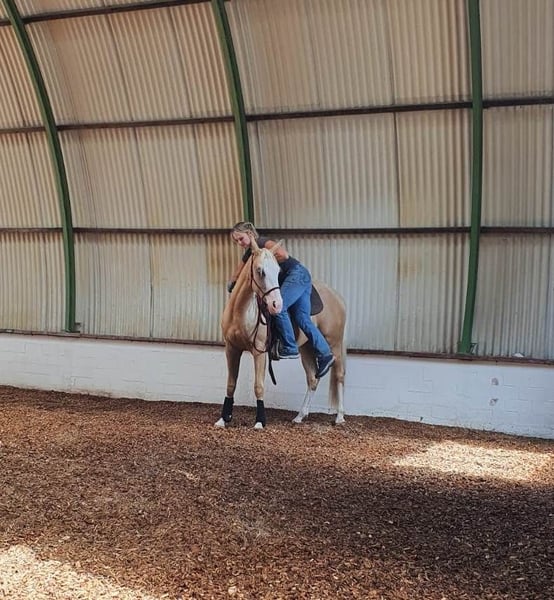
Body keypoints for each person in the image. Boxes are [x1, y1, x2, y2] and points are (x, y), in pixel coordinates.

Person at [227, 221, 336, 379]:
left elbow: (284, 255)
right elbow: (241, 268)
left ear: (249, 234)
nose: (239, 243)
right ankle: (325, 353)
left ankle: (290, 346)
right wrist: (233, 281)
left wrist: (267, 263)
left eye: (241, 238)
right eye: (236, 241)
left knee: (278, 306)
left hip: (295, 275)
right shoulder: (251, 252)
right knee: (302, 318)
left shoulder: (262, 243)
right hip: (303, 275)